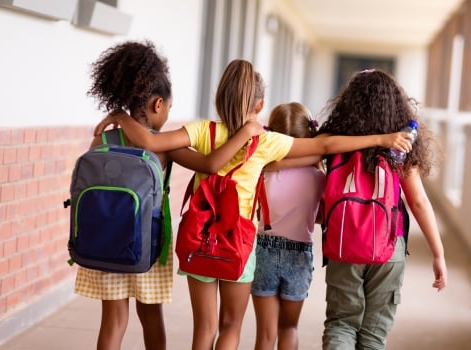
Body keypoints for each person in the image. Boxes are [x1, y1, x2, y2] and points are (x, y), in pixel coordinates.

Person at [94, 59, 414, 350]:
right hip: (238, 244)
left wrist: (121, 115)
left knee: (203, 330)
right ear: (260, 105)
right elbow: (325, 145)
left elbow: (149, 140)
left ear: (219, 98)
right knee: (230, 326)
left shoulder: (202, 130)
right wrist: (380, 139)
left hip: (199, 240)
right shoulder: (265, 141)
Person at [78, 41, 264, 350]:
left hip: (105, 242)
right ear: (158, 105)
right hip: (149, 242)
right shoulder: (165, 147)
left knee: (113, 321)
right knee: (151, 317)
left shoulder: (104, 136)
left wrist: (120, 119)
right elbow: (209, 164)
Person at [317, 69, 448, 350]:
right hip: (388, 247)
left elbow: (319, 150)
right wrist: (438, 253)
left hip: (344, 242)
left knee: (341, 323)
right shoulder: (401, 147)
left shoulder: (336, 139)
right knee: (373, 336)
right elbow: (418, 202)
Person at [251, 102, 325, 350]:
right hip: (299, 253)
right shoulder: (319, 178)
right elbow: (321, 216)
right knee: (289, 328)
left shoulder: (262, 172)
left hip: (264, 250)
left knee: (264, 335)